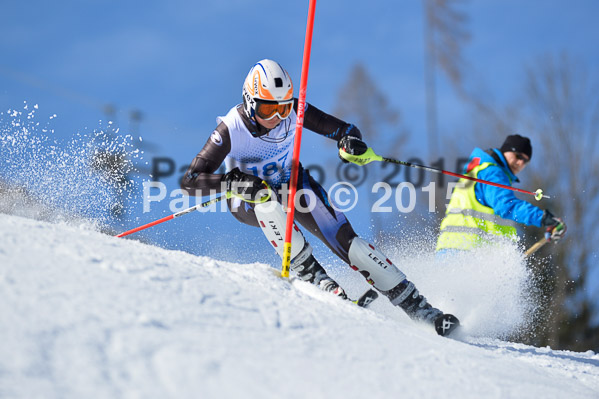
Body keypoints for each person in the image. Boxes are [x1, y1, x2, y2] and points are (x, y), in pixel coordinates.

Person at [181, 59, 459, 336]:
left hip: (292, 184)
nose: (278, 118)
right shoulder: (231, 128)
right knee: (265, 198)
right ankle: (314, 276)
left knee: (350, 243)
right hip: (247, 197)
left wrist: (349, 143)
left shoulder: (294, 112)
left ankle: (420, 309)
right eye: (268, 109)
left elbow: (344, 130)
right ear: (250, 103)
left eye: (284, 108)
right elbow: (190, 181)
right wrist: (232, 182)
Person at [436, 134, 567, 253]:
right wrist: (543, 218)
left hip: (453, 248)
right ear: (506, 151)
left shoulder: (479, 170)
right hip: (468, 251)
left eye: (525, 161)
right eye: (518, 156)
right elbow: (506, 206)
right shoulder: (493, 172)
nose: (520, 163)